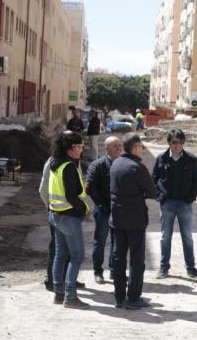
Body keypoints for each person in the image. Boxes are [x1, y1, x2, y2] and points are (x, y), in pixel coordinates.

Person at [109, 133, 156, 309]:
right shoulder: (137, 167)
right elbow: (152, 192)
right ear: (135, 147)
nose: (142, 150)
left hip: (117, 219)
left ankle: (119, 297)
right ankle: (133, 298)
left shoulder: (115, 164)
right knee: (136, 260)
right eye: (141, 147)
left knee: (118, 257)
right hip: (135, 220)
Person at [47, 131, 92, 309]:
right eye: (80, 146)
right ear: (72, 148)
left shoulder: (54, 163)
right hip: (68, 216)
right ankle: (70, 296)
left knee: (60, 254)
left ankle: (59, 293)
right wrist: (83, 209)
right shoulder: (69, 167)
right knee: (77, 256)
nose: (82, 149)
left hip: (55, 214)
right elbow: (72, 195)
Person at [152, 129, 197, 279]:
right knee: (165, 237)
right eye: (174, 142)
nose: (178, 145)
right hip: (167, 204)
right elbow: (153, 179)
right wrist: (159, 196)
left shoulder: (191, 159)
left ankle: (191, 268)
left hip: (185, 204)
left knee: (187, 236)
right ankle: (164, 267)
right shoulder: (161, 158)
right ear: (169, 143)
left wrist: (190, 198)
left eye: (181, 142)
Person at [85, 136, 122, 284]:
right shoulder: (98, 165)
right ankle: (98, 272)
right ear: (106, 149)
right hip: (103, 210)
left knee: (117, 242)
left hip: (119, 211)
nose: (119, 148)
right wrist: (103, 206)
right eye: (115, 146)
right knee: (100, 241)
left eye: (120, 145)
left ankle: (114, 271)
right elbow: (90, 188)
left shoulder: (124, 163)